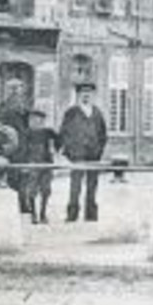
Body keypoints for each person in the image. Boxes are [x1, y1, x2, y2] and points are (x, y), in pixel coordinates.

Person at [59, 82, 108, 222]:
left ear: (93, 95)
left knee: (92, 185)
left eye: (89, 93)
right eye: (83, 93)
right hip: (77, 155)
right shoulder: (71, 113)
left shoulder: (97, 113)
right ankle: (72, 213)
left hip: (93, 155)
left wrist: (99, 149)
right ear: (78, 95)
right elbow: (64, 133)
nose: (86, 96)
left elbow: (103, 134)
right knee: (75, 185)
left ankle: (91, 214)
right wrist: (70, 151)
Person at [19, 108, 60, 224]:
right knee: (32, 191)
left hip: (46, 164)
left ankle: (43, 214)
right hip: (32, 164)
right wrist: (24, 164)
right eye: (33, 119)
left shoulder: (48, 132)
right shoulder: (26, 133)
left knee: (46, 190)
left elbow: (59, 141)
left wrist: (58, 149)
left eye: (39, 120)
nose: (36, 122)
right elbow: (22, 150)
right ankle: (33, 214)